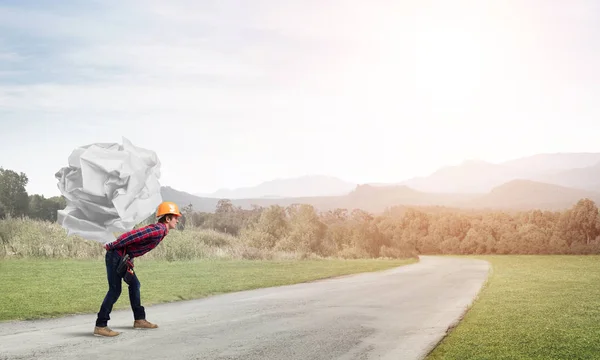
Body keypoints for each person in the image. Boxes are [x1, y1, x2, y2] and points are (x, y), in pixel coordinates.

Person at [93, 201, 182, 337]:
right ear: (168, 218)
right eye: (175, 217)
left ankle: (139, 320)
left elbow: (135, 244)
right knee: (115, 290)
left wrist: (129, 258)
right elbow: (133, 235)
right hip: (115, 255)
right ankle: (100, 325)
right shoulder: (158, 230)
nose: (177, 220)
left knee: (135, 284)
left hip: (123, 257)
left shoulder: (161, 231)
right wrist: (112, 245)